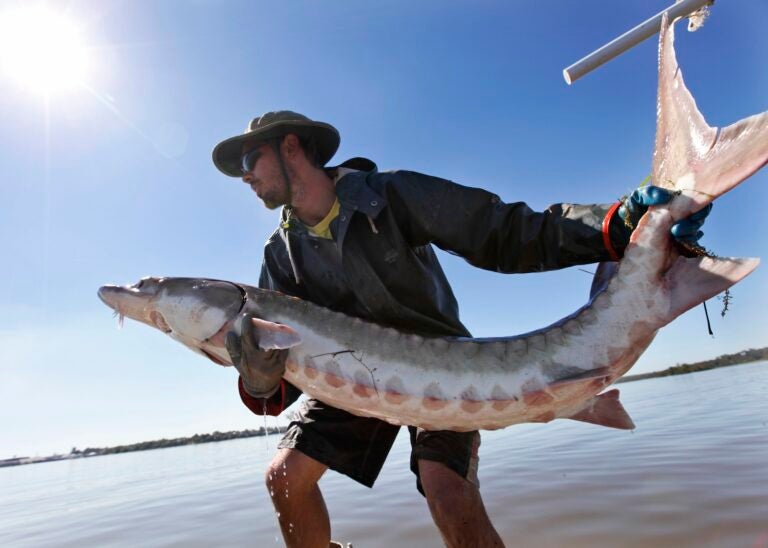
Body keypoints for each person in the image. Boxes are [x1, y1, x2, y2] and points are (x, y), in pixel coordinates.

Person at [211, 111, 709, 548]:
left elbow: (501, 231)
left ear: (291, 146)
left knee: (446, 491)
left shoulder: (389, 195)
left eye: (249, 160)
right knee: (284, 478)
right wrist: (257, 380)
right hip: (353, 379)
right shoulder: (279, 255)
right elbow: (278, 373)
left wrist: (614, 224)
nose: (244, 176)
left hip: (440, 367)